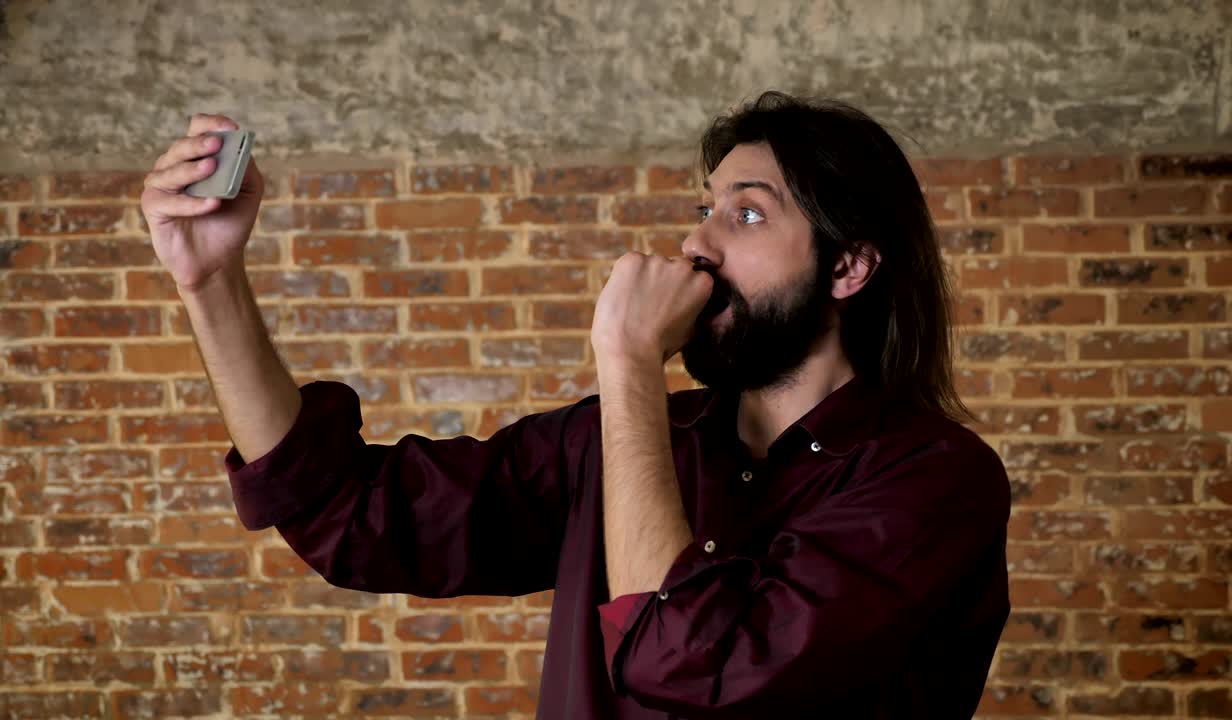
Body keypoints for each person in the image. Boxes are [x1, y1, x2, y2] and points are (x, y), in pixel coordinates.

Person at [141, 90, 1010, 719]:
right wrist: (211, 282)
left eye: (745, 217)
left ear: (847, 268)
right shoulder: (627, 442)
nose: (695, 244)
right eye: (702, 210)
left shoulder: (933, 484)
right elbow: (349, 514)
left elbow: (694, 661)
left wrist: (629, 362)